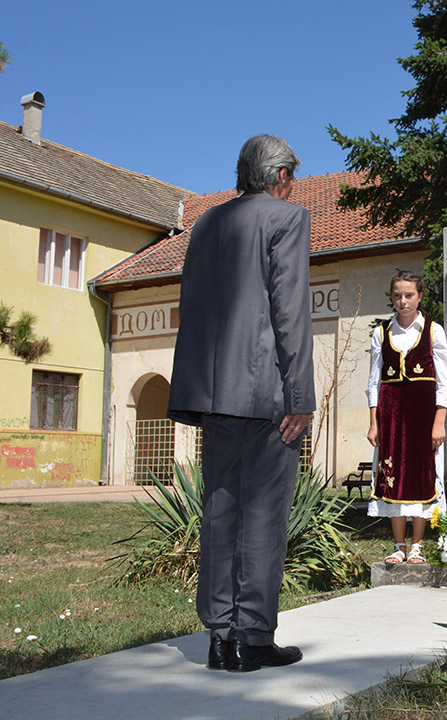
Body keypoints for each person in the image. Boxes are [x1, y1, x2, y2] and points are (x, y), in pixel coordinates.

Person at [168, 134, 314, 673]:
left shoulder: (206, 224)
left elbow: (194, 305)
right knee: (263, 516)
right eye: (290, 177)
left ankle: (220, 637)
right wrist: (300, 395)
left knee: (221, 510)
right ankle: (252, 638)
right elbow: (290, 311)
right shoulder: (286, 218)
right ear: (279, 177)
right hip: (265, 393)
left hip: (213, 392)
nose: (292, 186)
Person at [366, 270, 447, 564]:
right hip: (391, 416)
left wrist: (439, 421)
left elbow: (445, 380)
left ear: (420, 297)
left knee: (422, 474)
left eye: (409, 295)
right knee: (392, 476)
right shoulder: (382, 333)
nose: (403, 301)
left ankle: (417, 545)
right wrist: (373, 421)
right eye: (398, 296)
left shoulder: (433, 331)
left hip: (423, 416)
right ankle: (398, 545)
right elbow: (373, 382)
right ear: (392, 298)